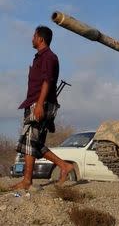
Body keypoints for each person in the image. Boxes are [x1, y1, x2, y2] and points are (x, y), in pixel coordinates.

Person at [10, 26, 74, 190]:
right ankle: (64, 166)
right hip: (34, 101)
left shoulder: (49, 57)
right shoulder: (39, 57)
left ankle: (27, 181)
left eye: (34, 35)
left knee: (31, 140)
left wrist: (39, 104)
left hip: (40, 103)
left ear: (40, 39)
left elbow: (47, 81)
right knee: (32, 143)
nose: (32, 38)